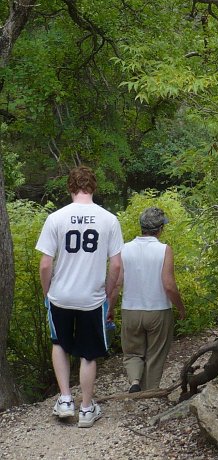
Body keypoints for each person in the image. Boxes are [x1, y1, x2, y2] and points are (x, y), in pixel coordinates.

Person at [36, 166, 124, 428]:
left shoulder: (56, 218)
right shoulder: (109, 219)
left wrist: (47, 292)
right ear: (93, 187)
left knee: (60, 343)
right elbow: (117, 266)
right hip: (91, 298)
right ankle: (86, 408)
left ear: (70, 188)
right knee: (88, 353)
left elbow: (44, 264)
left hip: (60, 295)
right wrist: (108, 294)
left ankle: (65, 400)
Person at [117, 206, 186, 393]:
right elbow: (169, 285)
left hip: (130, 309)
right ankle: (150, 392)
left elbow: (117, 282)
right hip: (158, 310)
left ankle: (134, 382)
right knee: (155, 354)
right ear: (160, 229)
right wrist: (180, 307)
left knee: (132, 352)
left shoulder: (124, 249)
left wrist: (108, 308)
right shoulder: (164, 250)